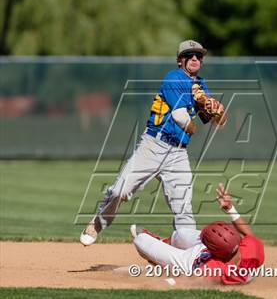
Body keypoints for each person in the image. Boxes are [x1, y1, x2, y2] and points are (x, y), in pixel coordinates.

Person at [80, 40, 226, 246]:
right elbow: (181, 117)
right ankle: (98, 222)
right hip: (153, 145)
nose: (194, 59)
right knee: (119, 191)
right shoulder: (174, 78)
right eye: (189, 55)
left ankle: (187, 258)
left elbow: (217, 123)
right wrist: (197, 121)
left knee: (183, 209)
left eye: (198, 56)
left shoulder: (200, 85)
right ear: (179, 61)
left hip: (178, 153)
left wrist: (219, 112)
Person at [131, 183, 265, 285]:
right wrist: (230, 209)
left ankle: (160, 261)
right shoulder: (252, 247)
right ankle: (163, 242)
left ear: (211, 251)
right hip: (222, 251)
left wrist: (162, 284)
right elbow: (248, 234)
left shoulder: (215, 269)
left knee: (141, 240)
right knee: (181, 234)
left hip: (188, 262)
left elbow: (186, 280)